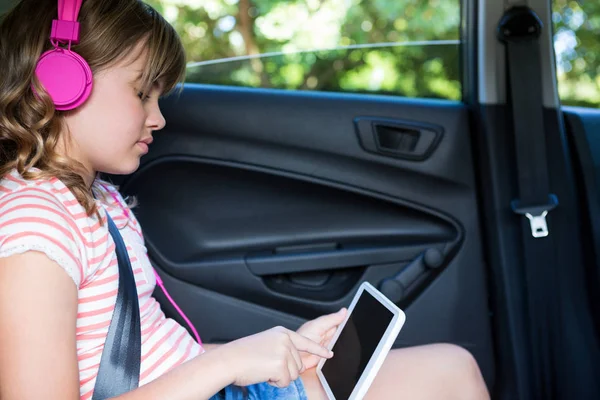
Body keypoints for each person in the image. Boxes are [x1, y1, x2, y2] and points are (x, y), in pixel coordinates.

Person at [0, 0, 491, 399]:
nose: (159, 118)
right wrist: (230, 363)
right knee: (452, 375)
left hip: (205, 386)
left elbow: (156, 353)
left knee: (452, 369)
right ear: (60, 83)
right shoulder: (34, 224)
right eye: (143, 93)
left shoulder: (93, 199)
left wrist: (276, 351)